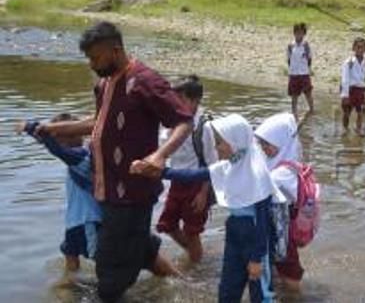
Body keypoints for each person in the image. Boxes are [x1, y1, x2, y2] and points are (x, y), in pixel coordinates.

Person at [40, 21, 192, 302]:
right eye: (89, 58)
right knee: (140, 250)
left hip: (132, 194)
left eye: (95, 57)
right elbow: (99, 123)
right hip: (108, 193)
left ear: (115, 50)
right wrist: (56, 129)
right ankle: (188, 290)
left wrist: (160, 156)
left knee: (109, 276)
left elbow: (183, 120)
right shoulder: (104, 83)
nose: (91, 64)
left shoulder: (145, 81)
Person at [133, 114, 280, 303]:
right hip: (235, 231)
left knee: (260, 292)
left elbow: (263, 221)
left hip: (254, 236)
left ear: (235, 141)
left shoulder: (257, 174)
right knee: (227, 290)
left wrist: (257, 258)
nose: (216, 147)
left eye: (220, 142)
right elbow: (193, 175)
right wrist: (158, 172)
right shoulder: (231, 164)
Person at [18, 114, 103, 274]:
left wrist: (30, 127)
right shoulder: (83, 152)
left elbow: (57, 150)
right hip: (75, 221)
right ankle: (70, 284)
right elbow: (53, 145)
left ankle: (104, 290)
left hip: (88, 220)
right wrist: (39, 135)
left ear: (63, 139)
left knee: (98, 257)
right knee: (69, 252)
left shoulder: (80, 157)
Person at [156, 75, 217, 263]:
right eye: (174, 101)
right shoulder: (172, 123)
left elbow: (212, 164)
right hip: (176, 182)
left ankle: (196, 264)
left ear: (195, 100)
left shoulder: (203, 127)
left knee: (192, 231)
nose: (176, 105)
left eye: (181, 100)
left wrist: (203, 193)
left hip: (197, 185)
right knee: (166, 225)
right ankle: (197, 257)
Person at [254, 113, 305, 291]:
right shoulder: (280, 161)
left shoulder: (283, 172)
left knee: (289, 267)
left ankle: (295, 295)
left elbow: (261, 190)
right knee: (278, 262)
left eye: (266, 144)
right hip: (276, 224)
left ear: (281, 142)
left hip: (283, 227)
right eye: (261, 143)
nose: (263, 148)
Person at [340, 37, 365, 136]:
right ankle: (345, 128)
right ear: (353, 48)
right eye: (358, 47)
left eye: (362, 47)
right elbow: (345, 79)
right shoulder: (349, 62)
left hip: (360, 90)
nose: (360, 50)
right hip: (350, 90)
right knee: (347, 112)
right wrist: (345, 95)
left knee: (360, 111)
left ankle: (358, 128)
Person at [287, 23, 314, 119]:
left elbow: (309, 58)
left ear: (304, 34)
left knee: (308, 93)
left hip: (304, 73)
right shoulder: (290, 45)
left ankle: (311, 110)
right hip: (294, 74)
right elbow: (289, 60)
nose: (299, 35)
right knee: (294, 95)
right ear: (294, 33)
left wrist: (307, 69)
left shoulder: (306, 45)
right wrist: (292, 70)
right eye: (297, 33)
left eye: (301, 33)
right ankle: (294, 114)